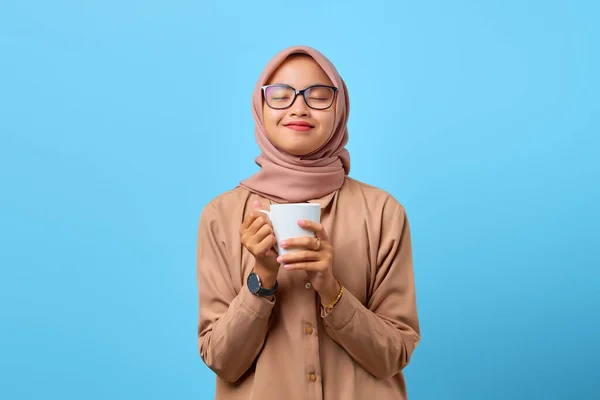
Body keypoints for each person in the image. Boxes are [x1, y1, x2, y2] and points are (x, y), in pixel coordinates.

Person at [196, 45, 420, 399]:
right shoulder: (221, 217)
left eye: (318, 96)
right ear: (261, 108)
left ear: (340, 108)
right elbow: (222, 360)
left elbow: (393, 355)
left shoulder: (382, 213)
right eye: (281, 96)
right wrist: (262, 279)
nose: (299, 107)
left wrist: (331, 289)